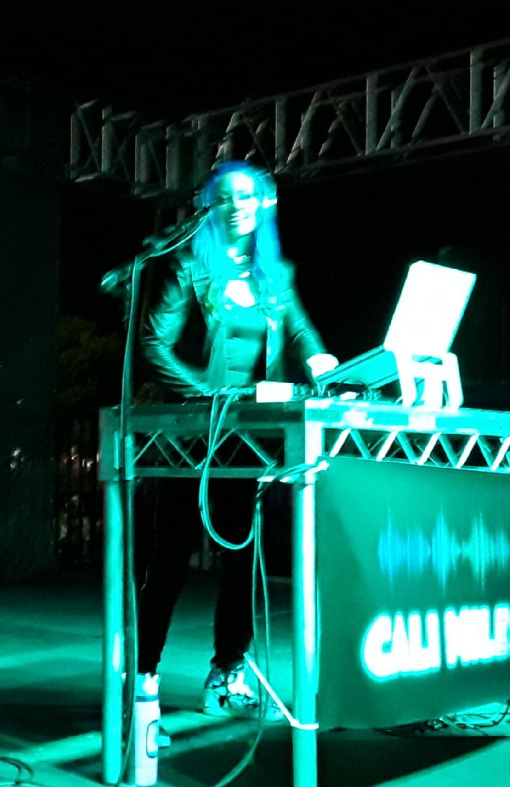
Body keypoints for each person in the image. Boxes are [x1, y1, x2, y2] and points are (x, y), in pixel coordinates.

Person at [135, 161, 337, 719]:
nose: (235, 206)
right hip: (190, 434)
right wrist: (207, 396)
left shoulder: (275, 274)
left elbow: (299, 329)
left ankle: (227, 673)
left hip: (245, 435)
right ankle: (143, 680)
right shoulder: (185, 264)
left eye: (246, 196)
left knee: (242, 556)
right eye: (223, 197)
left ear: (263, 204)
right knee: (170, 556)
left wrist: (319, 357)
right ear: (208, 206)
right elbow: (153, 344)